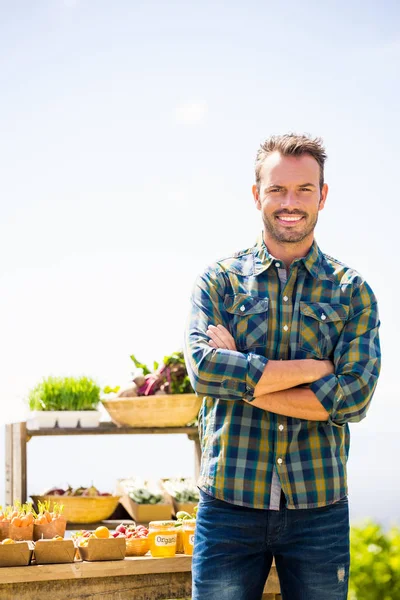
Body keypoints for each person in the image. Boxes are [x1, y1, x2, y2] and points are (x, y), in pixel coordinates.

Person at [183, 133, 381, 600]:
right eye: (276, 189)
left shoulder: (353, 291)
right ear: (257, 195)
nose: (289, 203)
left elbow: (353, 399)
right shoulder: (219, 282)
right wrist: (315, 368)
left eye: (303, 190)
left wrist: (245, 382)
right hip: (229, 502)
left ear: (322, 196)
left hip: (320, 509)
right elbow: (205, 371)